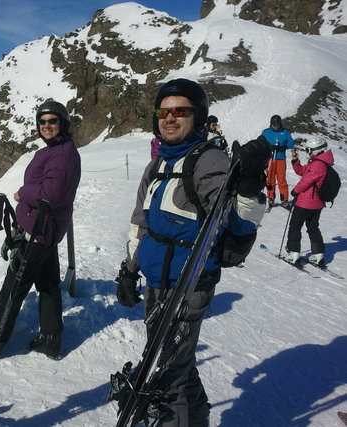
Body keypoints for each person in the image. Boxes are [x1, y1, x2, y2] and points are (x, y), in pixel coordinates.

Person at [115, 78, 270, 426]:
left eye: (180, 111)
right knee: (175, 364)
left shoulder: (207, 161)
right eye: (163, 111)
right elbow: (141, 223)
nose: (170, 118)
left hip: (187, 288)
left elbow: (236, 224)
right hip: (157, 281)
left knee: (164, 379)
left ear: (197, 117)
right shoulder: (156, 165)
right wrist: (129, 270)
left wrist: (247, 186)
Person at [0, 99, 81, 360]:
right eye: (42, 121)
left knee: (13, 288)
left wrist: (23, 193)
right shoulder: (57, 149)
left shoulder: (63, 153)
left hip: (38, 231)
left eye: (52, 120)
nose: (46, 125)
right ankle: (51, 340)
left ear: (63, 123)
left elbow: (51, 194)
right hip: (46, 231)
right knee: (48, 285)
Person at [284, 138, 335, 265]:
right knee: (313, 227)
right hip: (317, 203)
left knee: (295, 225)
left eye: (309, 150)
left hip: (306, 202)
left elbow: (306, 181)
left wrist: (295, 191)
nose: (307, 152)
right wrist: (295, 160)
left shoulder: (318, 164)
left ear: (317, 151)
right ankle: (318, 254)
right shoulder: (320, 162)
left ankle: (293, 253)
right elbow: (302, 171)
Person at [262, 114, 295, 209]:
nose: (275, 126)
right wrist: (269, 146)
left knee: (281, 180)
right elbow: (260, 141)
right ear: (271, 124)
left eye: (277, 124)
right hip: (270, 159)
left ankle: (284, 200)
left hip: (280, 159)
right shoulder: (266, 132)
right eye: (274, 124)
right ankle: (271, 198)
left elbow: (291, 143)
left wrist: (284, 146)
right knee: (270, 179)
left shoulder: (285, 132)